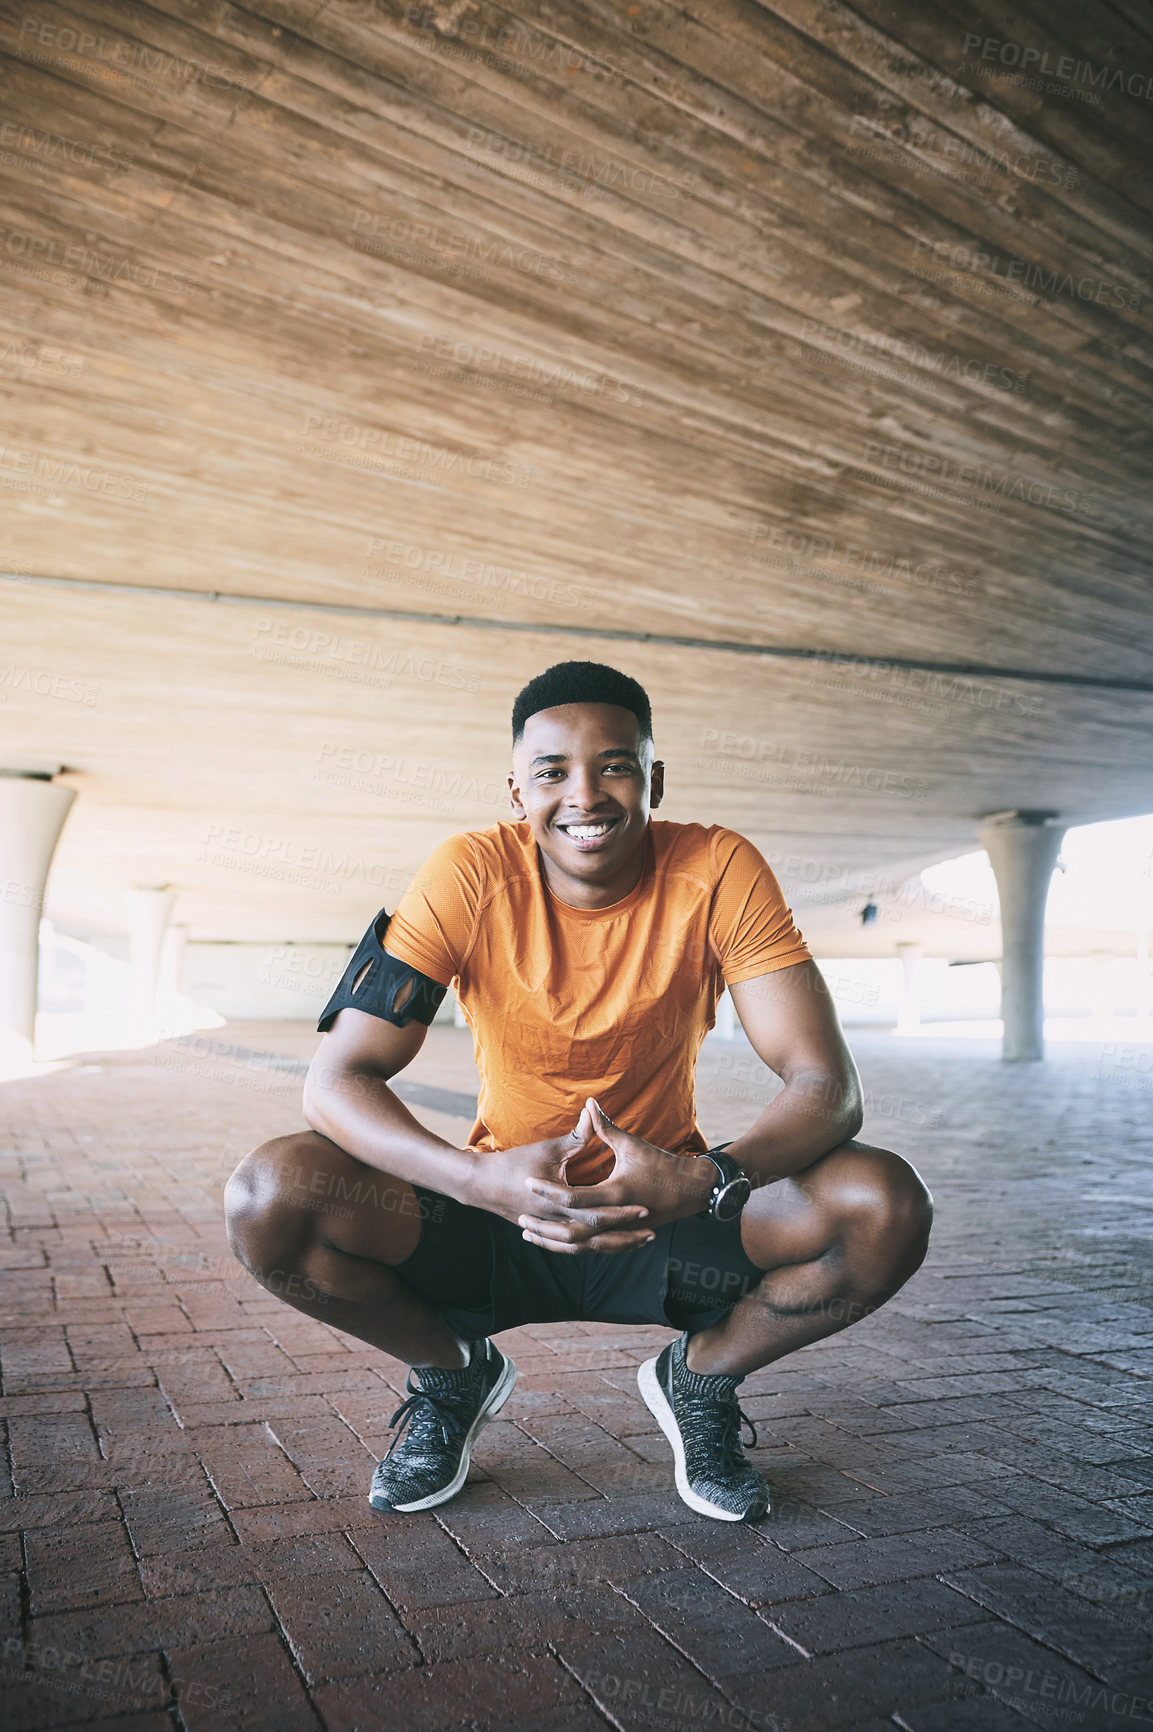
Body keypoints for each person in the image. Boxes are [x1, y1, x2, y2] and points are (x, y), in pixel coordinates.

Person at [225, 661, 933, 1523]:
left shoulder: (718, 866)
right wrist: (474, 1178)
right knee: (273, 1195)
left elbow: (827, 1086)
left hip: (669, 1215)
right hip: (491, 1215)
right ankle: (452, 1375)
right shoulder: (467, 872)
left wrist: (706, 1179)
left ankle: (699, 1381)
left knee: (882, 1204)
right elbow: (337, 1081)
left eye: (615, 765)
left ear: (653, 780)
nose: (584, 795)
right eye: (552, 772)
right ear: (517, 790)